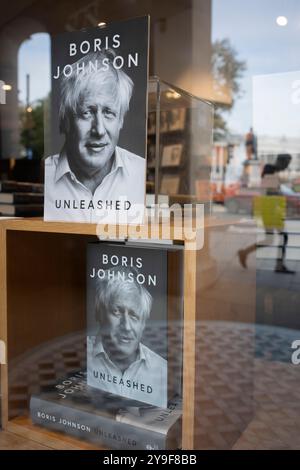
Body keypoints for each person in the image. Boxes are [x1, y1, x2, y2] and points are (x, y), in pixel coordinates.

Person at [44, 50, 146, 223]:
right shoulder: (43, 177)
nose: (99, 130)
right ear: (67, 120)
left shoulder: (140, 174)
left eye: (109, 112)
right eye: (86, 112)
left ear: (120, 120)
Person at [87, 267, 167, 407]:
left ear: (143, 324)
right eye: (116, 312)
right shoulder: (79, 357)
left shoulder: (163, 371)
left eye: (134, 316)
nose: (127, 327)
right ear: (99, 313)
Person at [238, 155, 294, 274]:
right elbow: (270, 190)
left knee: (271, 238)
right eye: (286, 163)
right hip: (268, 209)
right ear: (279, 161)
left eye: (288, 164)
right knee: (280, 237)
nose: (286, 166)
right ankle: (279, 265)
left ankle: (245, 252)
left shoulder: (274, 171)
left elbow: (272, 190)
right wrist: (281, 195)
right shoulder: (270, 169)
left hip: (271, 208)